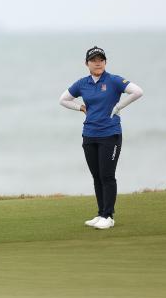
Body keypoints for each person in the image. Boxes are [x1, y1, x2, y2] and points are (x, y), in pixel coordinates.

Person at [59, 46, 143, 229]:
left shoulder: (113, 80)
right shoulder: (82, 83)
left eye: (101, 59)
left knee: (107, 175)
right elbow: (63, 99)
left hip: (110, 135)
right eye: (93, 60)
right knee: (96, 176)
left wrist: (119, 106)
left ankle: (109, 216)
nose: (98, 63)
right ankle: (100, 213)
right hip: (89, 135)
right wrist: (81, 108)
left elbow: (137, 91)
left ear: (105, 62)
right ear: (86, 63)